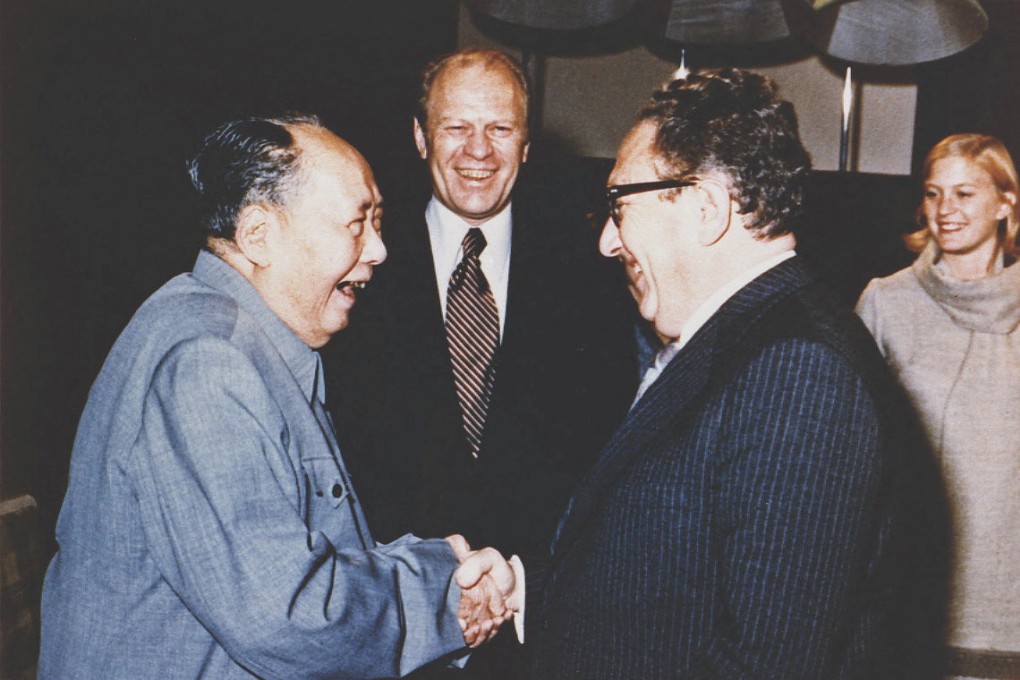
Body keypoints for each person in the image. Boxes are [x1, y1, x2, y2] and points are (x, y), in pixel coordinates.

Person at [38, 114, 522, 679]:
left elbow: (312, 562)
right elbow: (289, 616)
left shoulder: (248, 344)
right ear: (258, 236)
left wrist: (442, 584)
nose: (380, 250)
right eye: (356, 224)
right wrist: (443, 590)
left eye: (379, 220)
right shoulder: (206, 363)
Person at [532, 68, 949, 679]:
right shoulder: (744, 342)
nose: (606, 242)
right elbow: (670, 583)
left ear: (704, 209)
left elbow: (763, 664)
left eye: (619, 206)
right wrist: (526, 590)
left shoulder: (798, 373)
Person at [322, 49, 637, 678]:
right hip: (383, 630)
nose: (478, 151)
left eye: (500, 129)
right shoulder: (353, 268)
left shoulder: (591, 271)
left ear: (527, 143)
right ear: (419, 137)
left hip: (533, 637)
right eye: (456, 127)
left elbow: (602, 455)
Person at [856, 133, 1020, 680]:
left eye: (965, 194)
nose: (945, 210)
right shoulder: (886, 302)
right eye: (933, 193)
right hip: (913, 597)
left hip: (1007, 605)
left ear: (1006, 203)